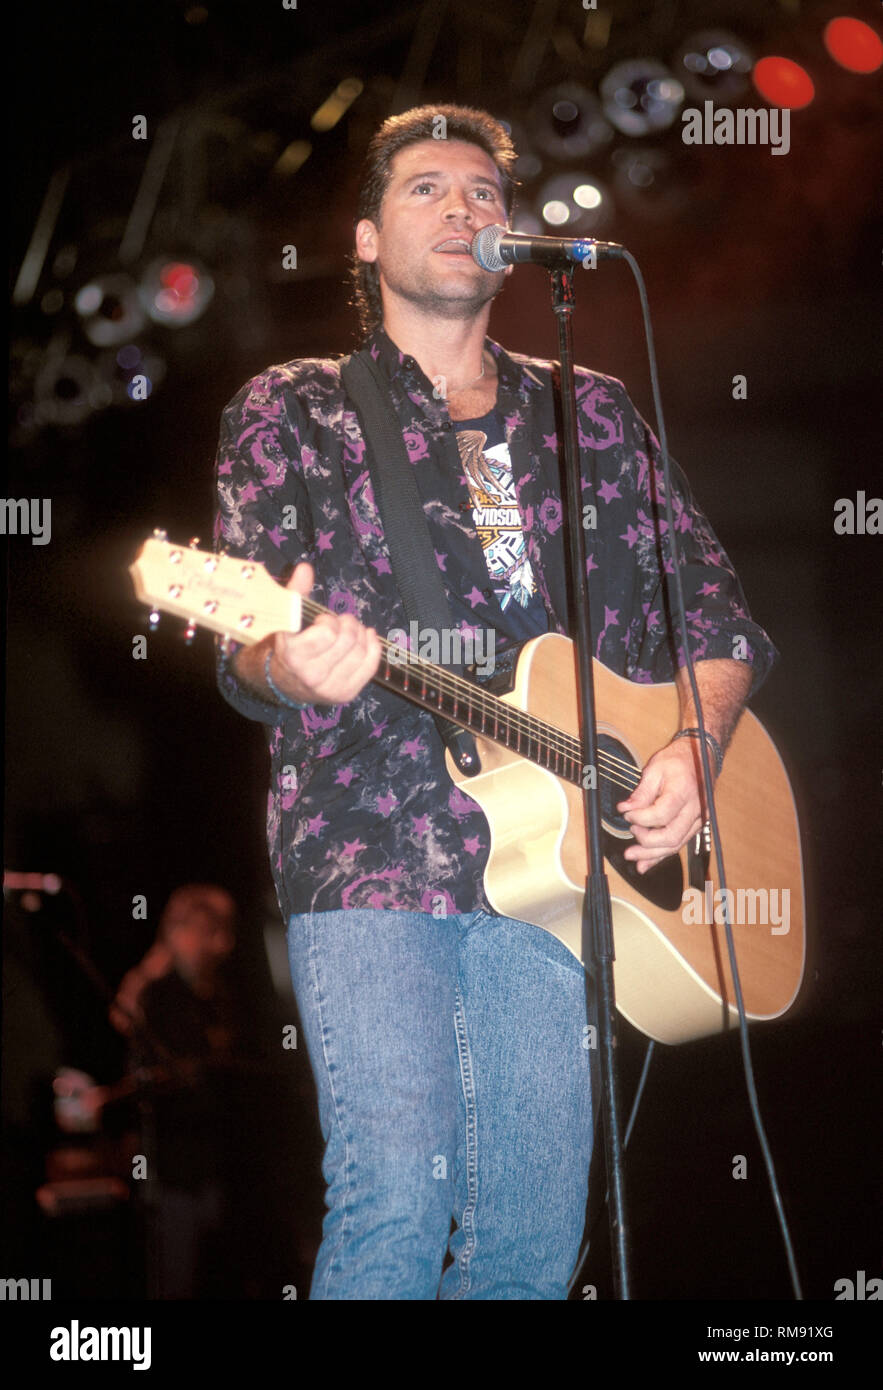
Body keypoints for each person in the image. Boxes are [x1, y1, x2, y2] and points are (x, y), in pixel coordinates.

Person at [213, 104, 777, 1300]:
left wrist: (692, 737)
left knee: (529, 1247)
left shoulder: (596, 414)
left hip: (561, 877)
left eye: (484, 193)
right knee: (393, 1208)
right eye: (427, 190)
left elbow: (719, 625)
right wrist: (285, 661)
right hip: (372, 853)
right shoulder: (296, 409)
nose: (464, 207)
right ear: (365, 240)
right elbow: (248, 649)